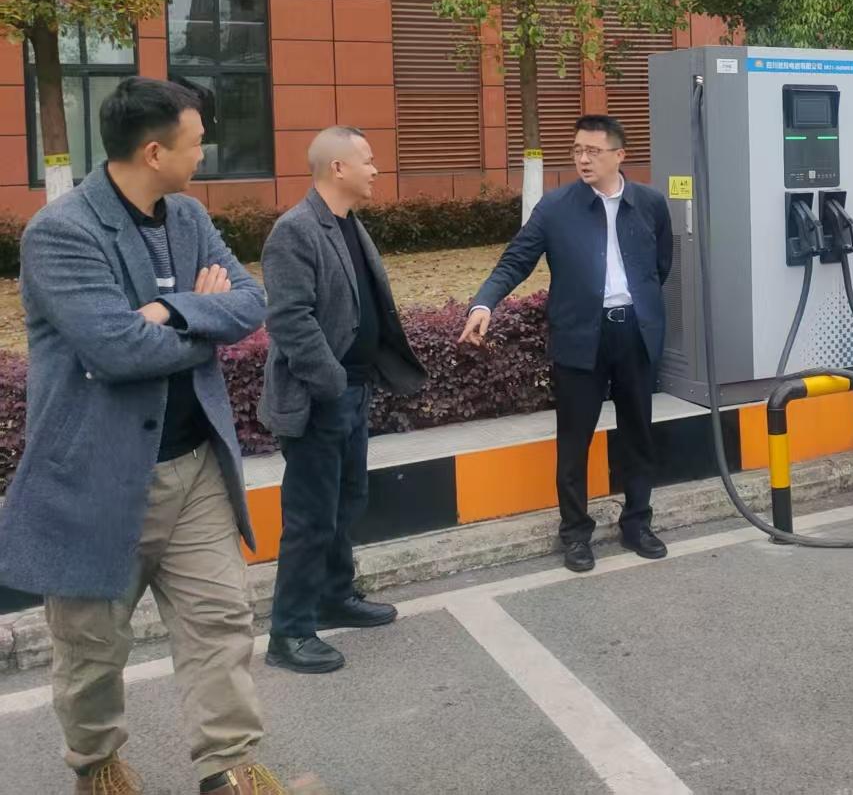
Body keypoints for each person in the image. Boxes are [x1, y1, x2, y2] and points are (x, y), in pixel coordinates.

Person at [0, 78, 290, 794]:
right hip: (95, 478)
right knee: (90, 650)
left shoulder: (187, 216)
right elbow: (117, 349)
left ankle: (230, 768)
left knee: (221, 621)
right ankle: (97, 764)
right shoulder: (61, 233)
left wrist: (166, 309)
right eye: (196, 142)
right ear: (155, 151)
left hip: (194, 469)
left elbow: (250, 303)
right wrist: (201, 318)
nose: (204, 153)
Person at [459, 115, 674, 573]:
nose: (583, 159)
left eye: (593, 151)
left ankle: (638, 522)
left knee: (639, 434)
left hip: (635, 333)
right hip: (581, 337)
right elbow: (515, 261)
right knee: (574, 441)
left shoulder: (651, 204)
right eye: (577, 150)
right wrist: (484, 304)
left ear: (619, 155)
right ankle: (575, 533)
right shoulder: (556, 208)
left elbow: (661, 265)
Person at [259, 126, 427, 675]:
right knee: (310, 516)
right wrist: (331, 383)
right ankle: (289, 631)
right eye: (368, 160)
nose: (376, 169)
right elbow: (289, 319)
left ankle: (334, 596)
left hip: (355, 389)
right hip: (318, 397)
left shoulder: (349, 224)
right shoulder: (295, 230)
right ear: (338, 168)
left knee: (346, 502)